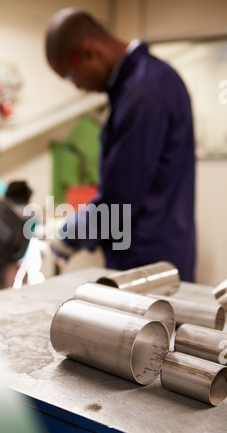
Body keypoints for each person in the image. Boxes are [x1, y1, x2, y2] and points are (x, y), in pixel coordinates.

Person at [45, 8, 196, 282]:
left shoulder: (143, 94)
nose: (77, 86)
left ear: (90, 53)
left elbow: (120, 201)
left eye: (70, 75)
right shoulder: (145, 82)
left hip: (147, 264)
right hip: (152, 253)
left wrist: (72, 233)